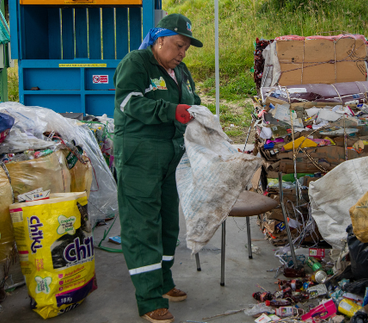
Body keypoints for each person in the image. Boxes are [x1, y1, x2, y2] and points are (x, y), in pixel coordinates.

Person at [112, 13, 202, 323]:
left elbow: (190, 101)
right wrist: (171, 111)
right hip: (140, 156)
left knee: (167, 224)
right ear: (159, 39)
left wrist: (199, 114)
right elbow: (128, 102)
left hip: (170, 158)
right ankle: (149, 299)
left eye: (186, 49)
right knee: (142, 226)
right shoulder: (137, 63)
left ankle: (163, 282)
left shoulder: (179, 70)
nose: (181, 53)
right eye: (178, 46)